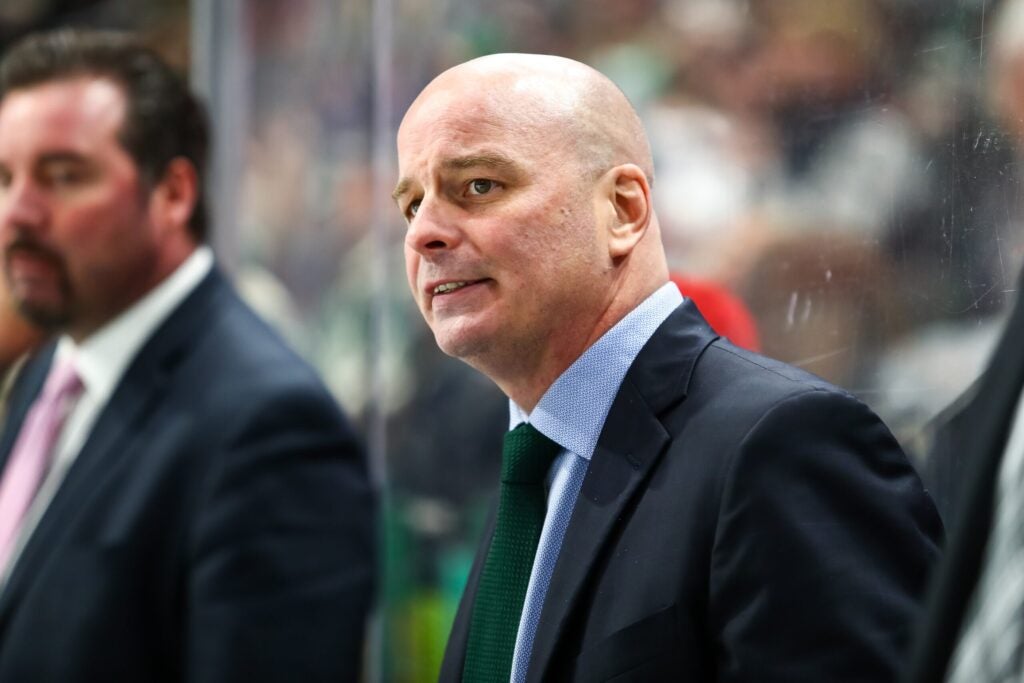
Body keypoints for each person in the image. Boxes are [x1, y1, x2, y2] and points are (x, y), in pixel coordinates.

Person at [393, 53, 943, 682]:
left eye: (479, 187)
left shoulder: (784, 445)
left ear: (624, 210)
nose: (424, 233)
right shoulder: (535, 462)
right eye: (411, 204)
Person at [0, 29, 375, 682]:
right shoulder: (50, 368)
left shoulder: (267, 426)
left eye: (63, 176)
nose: (17, 212)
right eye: (4, 178)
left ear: (174, 192)